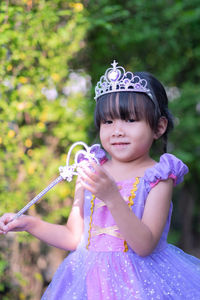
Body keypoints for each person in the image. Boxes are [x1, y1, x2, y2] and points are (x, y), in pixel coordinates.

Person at [0, 60, 200, 299]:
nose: (117, 130)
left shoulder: (158, 176)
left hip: (139, 285)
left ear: (158, 127)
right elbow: (75, 238)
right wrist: (30, 225)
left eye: (130, 120)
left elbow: (144, 245)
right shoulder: (91, 168)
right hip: (88, 284)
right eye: (108, 121)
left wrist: (112, 197)